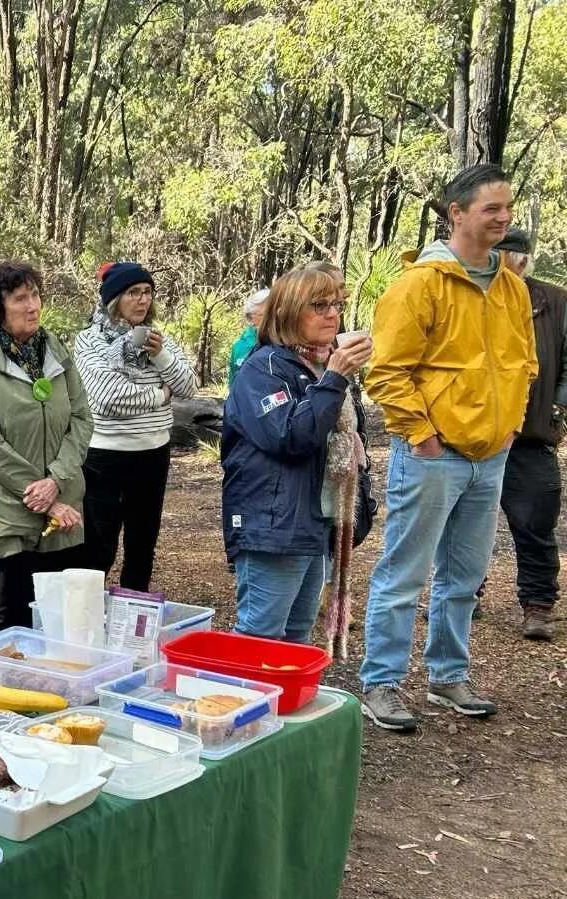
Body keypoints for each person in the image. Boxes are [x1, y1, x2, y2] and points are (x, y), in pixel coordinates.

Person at [358, 164, 536, 732]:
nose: (504, 218)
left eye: (507, 208)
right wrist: (424, 437)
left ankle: (447, 676)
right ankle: (380, 683)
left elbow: (524, 365)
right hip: (434, 456)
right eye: (492, 209)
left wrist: (509, 429)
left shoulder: (509, 285)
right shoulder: (419, 285)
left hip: (492, 455)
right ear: (457, 213)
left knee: (465, 574)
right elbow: (386, 372)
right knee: (404, 573)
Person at [221, 267, 372, 643]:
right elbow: (290, 436)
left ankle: (285, 703)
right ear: (288, 311)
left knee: (297, 636)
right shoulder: (263, 368)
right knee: (260, 634)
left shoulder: (320, 364)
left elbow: (350, 439)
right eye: (318, 305)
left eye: (336, 304)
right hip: (274, 526)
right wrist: (335, 378)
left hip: (314, 523)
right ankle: (247, 702)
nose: (332, 314)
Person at [0, 262, 91, 634]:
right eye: (20, 298)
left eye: (35, 295)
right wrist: (45, 497)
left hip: (63, 508)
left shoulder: (57, 353)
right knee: (6, 622)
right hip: (6, 513)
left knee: (55, 622)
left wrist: (56, 480)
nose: (32, 305)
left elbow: (82, 420)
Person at [73, 261, 197, 591]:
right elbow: (108, 396)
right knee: (98, 548)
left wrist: (161, 358)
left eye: (147, 292)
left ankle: (132, 623)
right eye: (133, 293)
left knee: (142, 547)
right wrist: (160, 394)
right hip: (106, 456)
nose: (142, 300)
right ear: (114, 299)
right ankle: (85, 622)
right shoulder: (90, 342)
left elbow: (188, 387)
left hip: (153, 454)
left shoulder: (160, 341)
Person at [494, 227, 567, 642]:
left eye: (507, 258)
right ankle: (465, 597)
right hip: (477, 434)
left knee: (536, 522)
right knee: (464, 526)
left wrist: (557, 406)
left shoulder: (555, 301)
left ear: (522, 261)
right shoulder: (476, 296)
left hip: (533, 435)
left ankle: (538, 606)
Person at [227, 287, 270, 388]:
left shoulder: (287, 343)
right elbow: (233, 383)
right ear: (251, 317)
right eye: (264, 315)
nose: (271, 320)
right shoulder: (239, 346)